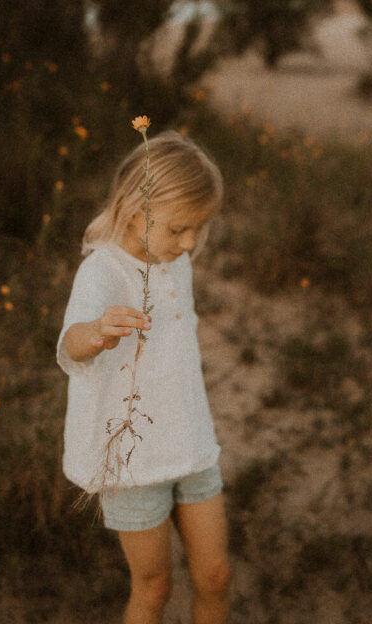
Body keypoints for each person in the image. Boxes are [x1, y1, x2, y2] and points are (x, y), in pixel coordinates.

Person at [57, 129, 230, 624]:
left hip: (191, 443)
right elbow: (70, 343)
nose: (191, 242)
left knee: (215, 575)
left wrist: (175, 243)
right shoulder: (103, 272)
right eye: (179, 229)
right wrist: (95, 332)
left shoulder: (175, 262)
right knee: (154, 587)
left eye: (198, 228)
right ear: (135, 210)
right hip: (132, 461)